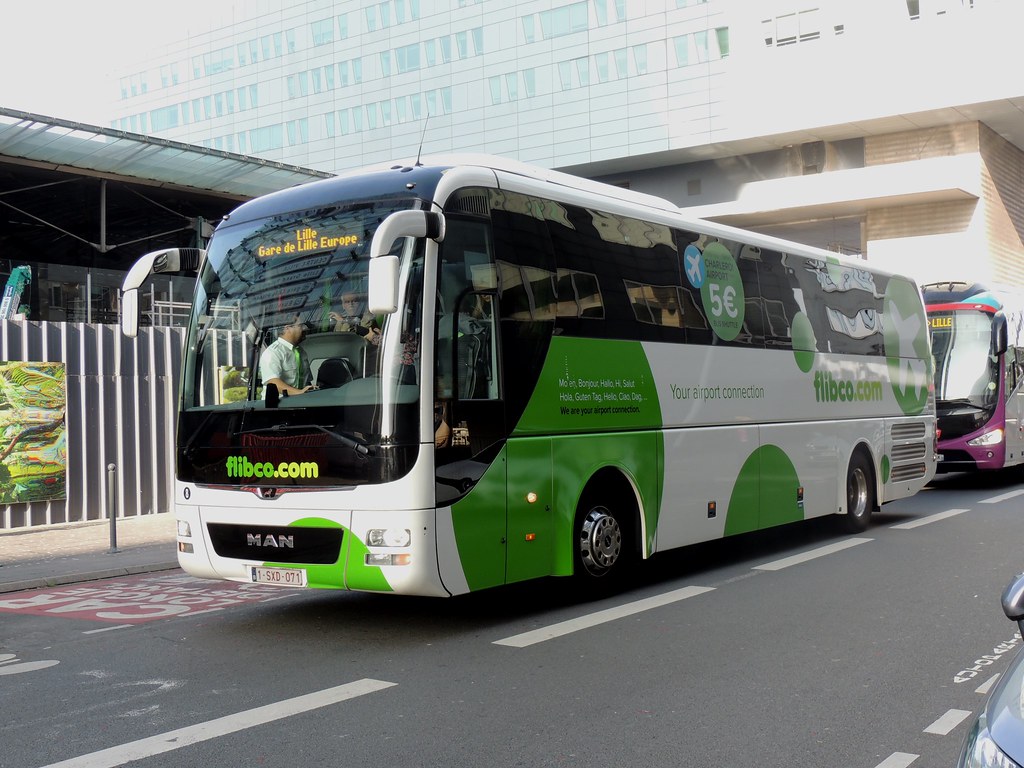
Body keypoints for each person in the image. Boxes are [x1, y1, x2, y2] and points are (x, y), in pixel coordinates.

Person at [260, 316, 314, 397]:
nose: (304, 329)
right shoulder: (273, 352)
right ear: (287, 328)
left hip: (301, 401)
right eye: (300, 326)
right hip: (279, 403)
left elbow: (306, 381)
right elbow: (273, 382)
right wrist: (300, 392)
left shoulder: (301, 352)